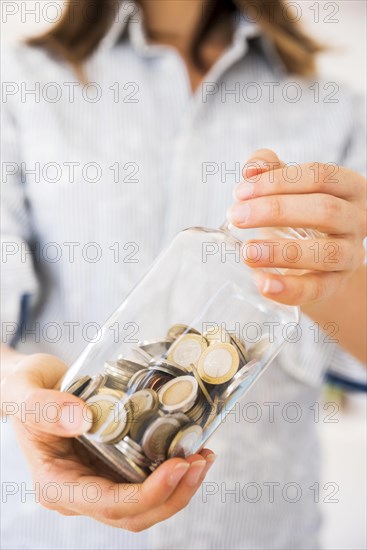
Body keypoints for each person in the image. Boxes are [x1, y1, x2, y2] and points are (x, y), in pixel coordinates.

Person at [1, 0, 366, 549]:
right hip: (53, 529)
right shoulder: (21, 83)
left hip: (262, 530)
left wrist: (326, 276)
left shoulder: (335, 107)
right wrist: (19, 392)